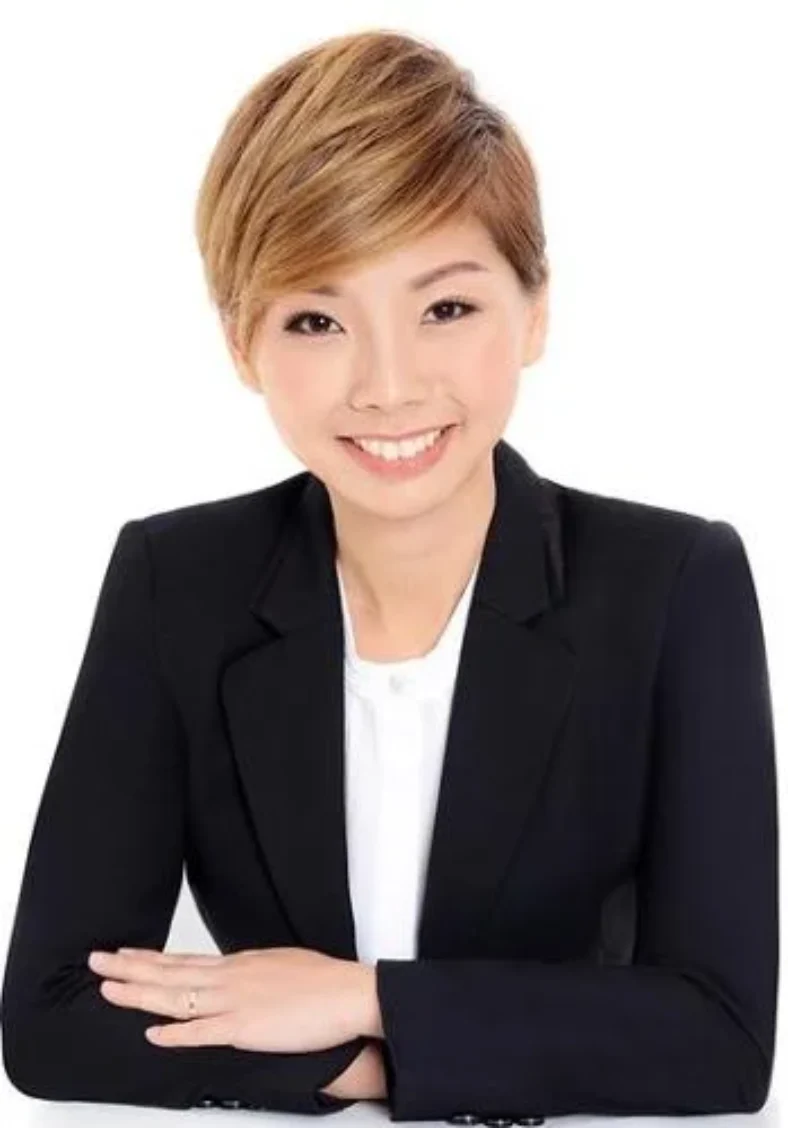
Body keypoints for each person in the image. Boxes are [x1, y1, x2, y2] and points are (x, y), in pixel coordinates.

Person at [0, 27, 778, 1122]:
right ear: (240, 343)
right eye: (316, 320)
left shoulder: (673, 585)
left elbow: (720, 1041)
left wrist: (354, 998)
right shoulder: (176, 582)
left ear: (535, 311)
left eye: (445, 308)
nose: (387, 385)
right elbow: (50, 1020)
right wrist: (377, 1065)